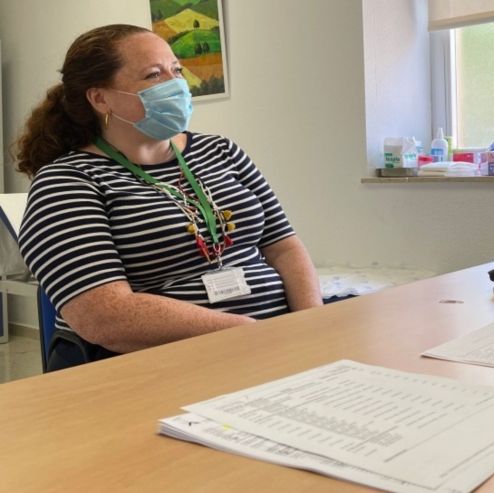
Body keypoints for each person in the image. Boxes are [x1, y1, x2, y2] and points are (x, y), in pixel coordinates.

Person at [16, 24, 324, 371]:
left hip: (272, 348)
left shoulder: (221, 151)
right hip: (164, 365)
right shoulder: (68, 182)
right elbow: (105, 316)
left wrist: (310, 327)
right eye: (153, 74)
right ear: (100, 98)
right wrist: (245, 334)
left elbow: (284, 245)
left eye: (176, 70)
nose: (176, 84)